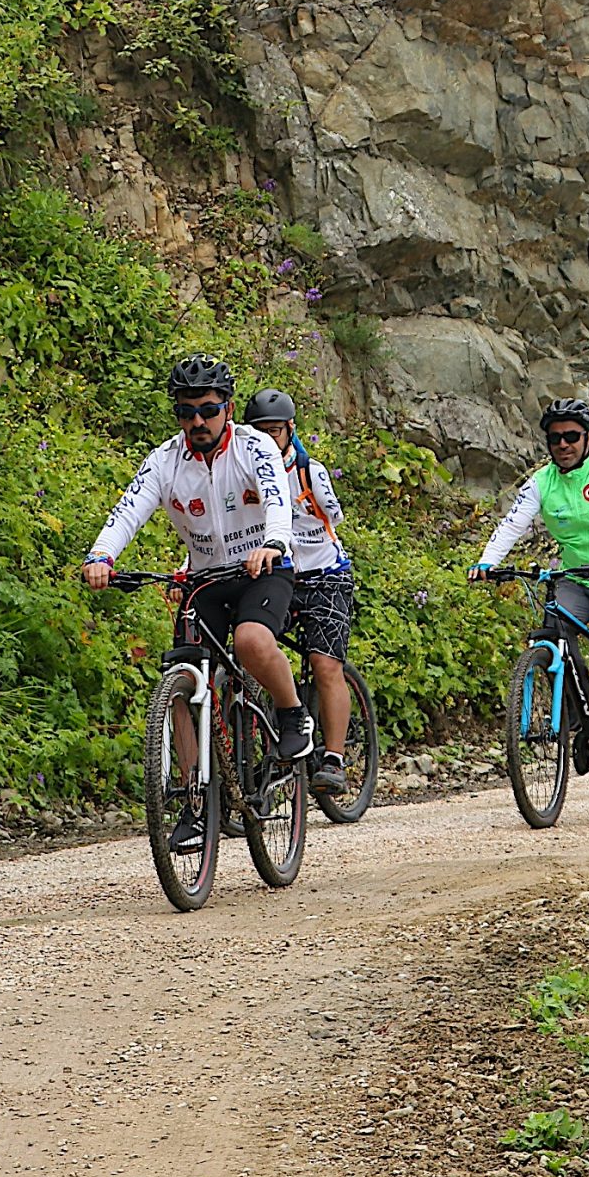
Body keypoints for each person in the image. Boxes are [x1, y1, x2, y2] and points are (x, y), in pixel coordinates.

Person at [83, 356, 310, 856]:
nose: (197, 423)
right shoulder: (165, 460)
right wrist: (102, 554)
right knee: (184, 679)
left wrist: (273, 542)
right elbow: (129, 510)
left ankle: (292, 715)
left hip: (263, 569)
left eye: (208, 410)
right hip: (205, 578)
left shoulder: (255, 447)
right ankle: (195, 802)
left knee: (251, 640)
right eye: (186, 413)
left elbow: (277, 498)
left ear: (227, 407)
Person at [468, 399, 589, 788]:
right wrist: (486, 562)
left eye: (571, 436)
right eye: (555, 439)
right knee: (553, 633)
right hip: (577, 577)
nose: (563, 445)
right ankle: (581, 710)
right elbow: (512, 522)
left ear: (588, 438)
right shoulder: (541, 482)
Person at [242, 387, 353, 798]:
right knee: (256, 651)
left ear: (290, 430)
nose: (268, 441)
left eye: (276, 432)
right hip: (278, 575)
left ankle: (334, 760)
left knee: (325, 665)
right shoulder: (243, 471)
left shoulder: (311, 472)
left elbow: (333, 517)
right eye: (260, 433)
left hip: (324, 573)